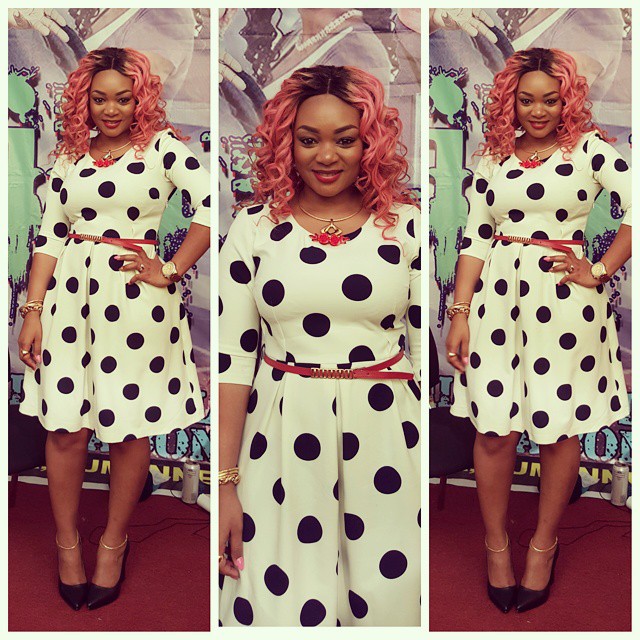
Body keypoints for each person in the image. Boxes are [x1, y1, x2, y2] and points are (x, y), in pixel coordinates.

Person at [218, 65, 421, 627]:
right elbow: (233, 363)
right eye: (309, 139)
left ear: (370, 143)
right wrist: (226, 484)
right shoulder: (253, 228)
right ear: (288, 143)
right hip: (280, 436)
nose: (326, 155)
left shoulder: (405, 226)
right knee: (280, 600)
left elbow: (421, 354)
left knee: (384, 597)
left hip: (386, 436)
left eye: (345, 139)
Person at [17, 47, 210, 611]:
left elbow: (207, 207)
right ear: (83, 101)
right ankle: (67, 544)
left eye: (123, 98)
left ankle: (113, 543)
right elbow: (51, 235)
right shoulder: (68, 156)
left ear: (140, 100)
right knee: (65, 428)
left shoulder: (163, 148)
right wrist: (33, 309)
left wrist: (169, 269)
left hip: (136, 307)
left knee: (129, 429)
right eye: (99, 99)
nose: (110, 109)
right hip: (68, 304)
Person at [446, 47, 631, 613]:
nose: (538, 110)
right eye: (527, 100)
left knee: (556, 430)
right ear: (510, 102)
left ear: (567, 101)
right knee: (493, 430)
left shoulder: (590, 149)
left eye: (551, 100)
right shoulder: (492, 157)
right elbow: (476, 237)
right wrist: (460, 311)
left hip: (565, 306)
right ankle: (497, 545)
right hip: (496, 304)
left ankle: (543, 547)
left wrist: (598, 269)